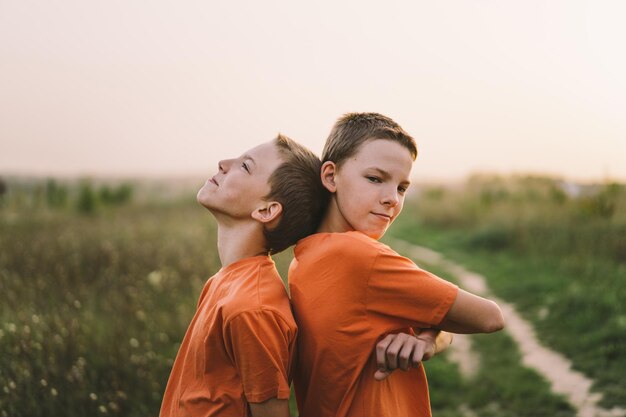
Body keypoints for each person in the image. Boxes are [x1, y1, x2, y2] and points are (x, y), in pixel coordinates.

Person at [288, 113, 506, 417]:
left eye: (402, 187)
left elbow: (436, 323)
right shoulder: (358, 256)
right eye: (375, 179)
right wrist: (429, 337)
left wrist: (427, 338)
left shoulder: (304, 255)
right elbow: (490, 317)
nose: (392, 198)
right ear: (330, 176)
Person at [159, 134, 328, 417]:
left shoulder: (253, 308)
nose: (224, 163)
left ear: (266, 210)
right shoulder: (225, 282)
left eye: (245, 166)